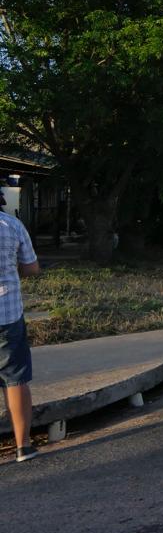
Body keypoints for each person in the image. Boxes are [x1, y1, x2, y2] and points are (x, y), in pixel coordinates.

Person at [0, 188, 42, 462]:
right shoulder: (12, 225)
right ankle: (23, 446)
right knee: (15, 379)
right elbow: (31, 268)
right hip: (7, 315)